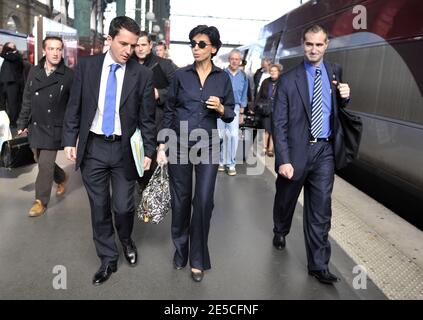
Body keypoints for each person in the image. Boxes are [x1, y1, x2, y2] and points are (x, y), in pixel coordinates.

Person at [62, 16, 156, 286]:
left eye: (134, 45)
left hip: (125, 150)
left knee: (124, 206)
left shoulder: (143, 75)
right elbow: (75, 106)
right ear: (109, 40)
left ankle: (126, 239)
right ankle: (108, 258)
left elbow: (147, 119)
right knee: (99, 206)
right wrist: (70, 139)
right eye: (124, 44)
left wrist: (148, 150)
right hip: (93, 147)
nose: (129, 50)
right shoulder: (87, 67)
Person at [272, 24, 351, 285]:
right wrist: (283, 159)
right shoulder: (287, 79)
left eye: (319, 44)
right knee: (286, 199)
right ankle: (280, 229)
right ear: (302, 45)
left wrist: (346, 97)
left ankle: (318, 265)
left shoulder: (335, 72)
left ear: (327, 44)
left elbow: (336, 108)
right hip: (296, 151)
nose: (314, 49)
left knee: (320, 211)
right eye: (309, 44)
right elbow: (279, 122)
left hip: (324, 150)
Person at [157, 25, 235, 282]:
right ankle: (181, 249)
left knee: (203, 201)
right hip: (179, 145)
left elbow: (232, 112)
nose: (196, 48)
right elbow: (169, 111)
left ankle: (198, 258)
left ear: (213, 48)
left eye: (202, 44)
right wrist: (162, 146)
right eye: (193, 43)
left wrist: (222, 108)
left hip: (209, 145)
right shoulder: (180, 76)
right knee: (181, 200)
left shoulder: (223, 78)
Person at [16, 36, 74, 217]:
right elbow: (27, 98)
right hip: (35, 124)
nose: (56, 53)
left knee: (45, 165)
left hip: (54, 127)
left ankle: (40, 200)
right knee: (40, 159)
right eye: (51, 49)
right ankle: (62, 177)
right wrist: (22, 122)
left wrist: (73, 130)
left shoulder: (69, 75)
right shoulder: (34, 71)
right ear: (44, 51)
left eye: (59, 49)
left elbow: (73, 105)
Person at [133, 32, 176, 191]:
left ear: (150, 45)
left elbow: (176, 89)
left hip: (157, 119)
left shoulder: (164, 65)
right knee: (136, 161)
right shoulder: (129, 63)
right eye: (136, 45)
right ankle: (143, 186)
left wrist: (160, 93)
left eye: (143, 45)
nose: (140, 48)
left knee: (151, 163)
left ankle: (148, 194)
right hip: (134, 120)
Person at [217, 49, 248, 176]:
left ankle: (231, 164)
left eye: (237, 59)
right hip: (221, 107)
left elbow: (244, 94)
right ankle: (220, 161)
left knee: (233, 136)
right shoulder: (222, 74)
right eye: (232, 59)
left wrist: (241, 113)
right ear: (229, 60)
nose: (235, 61)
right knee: (221, 135)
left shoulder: (244, 77)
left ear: (240, 61)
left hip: (235, 108)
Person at [254, 63, 282, 157]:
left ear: (278, 72)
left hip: (277, 110)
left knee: (274, 130)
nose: (273, 72)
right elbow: (260, 94)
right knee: (266, 129)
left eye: (275, 71)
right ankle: (264, 148)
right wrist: (255, 106)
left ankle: (270, 149)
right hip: (266, 109)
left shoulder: (282, 82)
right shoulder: (266, 81)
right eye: (271, 71)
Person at [0, 42, 25, 127]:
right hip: (3, 83)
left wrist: (5, 49)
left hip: (12, 83)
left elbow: (6, 55)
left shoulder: (15, 55)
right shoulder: (7, 55)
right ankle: (4, 121)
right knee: (2, 104)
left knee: (12, 104)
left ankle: (13, 122)